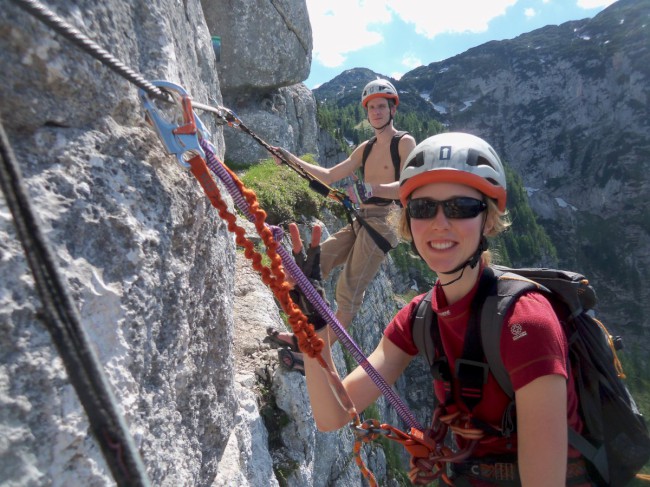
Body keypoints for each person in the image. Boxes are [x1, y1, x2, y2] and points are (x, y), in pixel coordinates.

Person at [302, 132, 592, 486]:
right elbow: (333, 414)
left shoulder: (526, 322)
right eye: (423, 208)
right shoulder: (419, 318)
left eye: (461, 207)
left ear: (487, 220)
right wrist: (313, 328)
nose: (440, 222)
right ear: (408, 221)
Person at [266, 79, 416, 371]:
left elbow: (410, 185)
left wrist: (373, 188)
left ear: (392, 109)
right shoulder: (366, 147)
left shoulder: (404, 142)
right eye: (371, 107)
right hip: (362, 219)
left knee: (347, 294)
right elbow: (331, 174)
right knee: (314, 264)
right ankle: (302, 338)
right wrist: (290, 158)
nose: (376, 112)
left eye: (381, 106)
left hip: (385, 222)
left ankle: (313, 353)